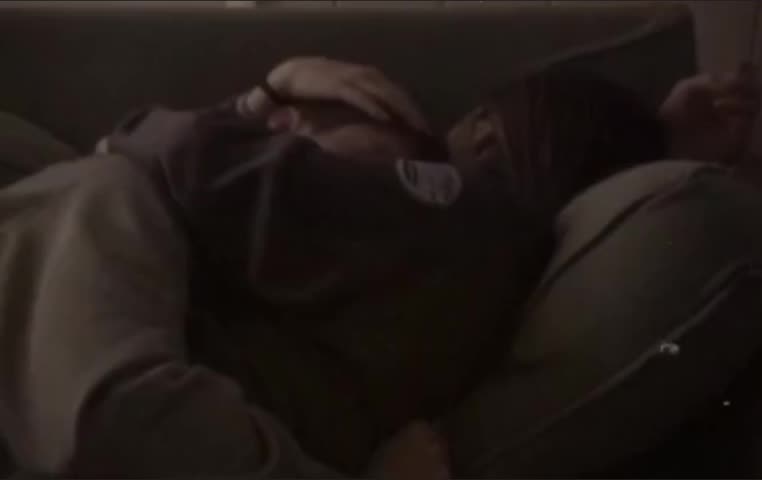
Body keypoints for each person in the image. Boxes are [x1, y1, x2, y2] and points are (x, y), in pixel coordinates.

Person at [0, 54, 757, 480]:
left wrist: (257, 99)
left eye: (303, 137)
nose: (286, 131)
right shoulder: (460, 261)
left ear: (482, 137)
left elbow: (198, 165)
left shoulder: (458, 216)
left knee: (103, 179)